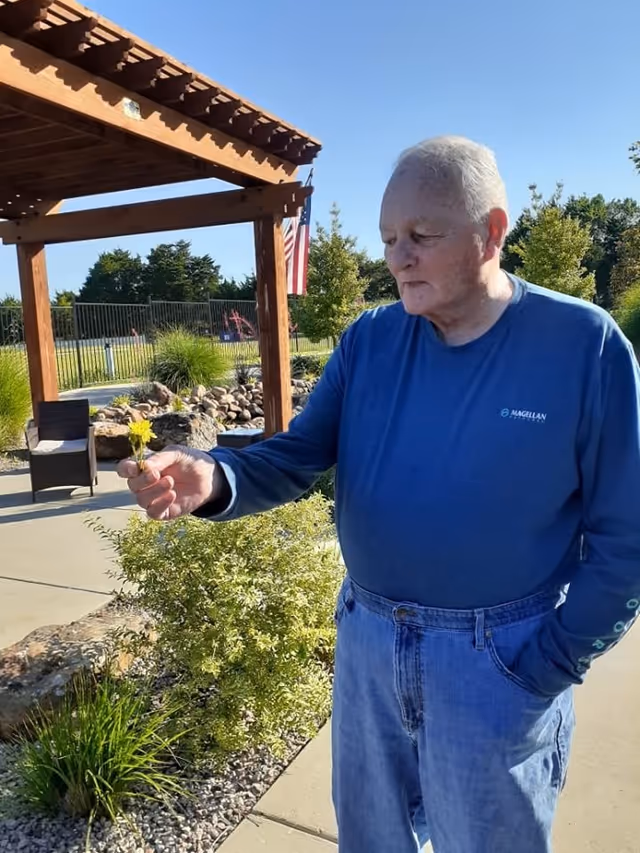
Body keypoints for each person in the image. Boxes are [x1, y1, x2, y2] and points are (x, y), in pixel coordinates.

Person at [118, 136, 640, 853]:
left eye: (422, 236)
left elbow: (626, 538)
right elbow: (298, 455)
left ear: (492, 232)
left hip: (501, 661)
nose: (398, 257)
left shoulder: (586, 346)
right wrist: (215, 476)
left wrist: (550, 661)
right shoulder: (369, 339)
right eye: (390, 237)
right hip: (368, 645)